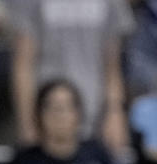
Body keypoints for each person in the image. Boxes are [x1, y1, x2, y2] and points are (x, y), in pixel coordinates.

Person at [9, 0, 133, 153]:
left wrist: (115, 112)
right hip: (48, 114)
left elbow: (112, 66)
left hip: (96, 115)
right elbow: (23, 64)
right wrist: (28, 122)